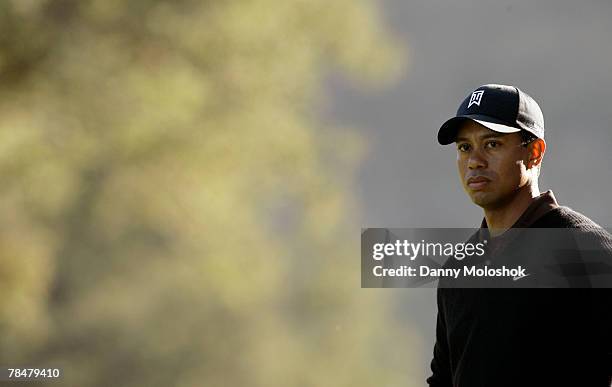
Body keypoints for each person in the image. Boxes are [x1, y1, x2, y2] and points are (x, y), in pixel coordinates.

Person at [427, 84, 612, 386]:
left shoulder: (585, 250)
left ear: (535, 152)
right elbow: (443, 379)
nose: (475, 161)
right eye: (464, 147)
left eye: (492, 144)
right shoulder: (458, 268)